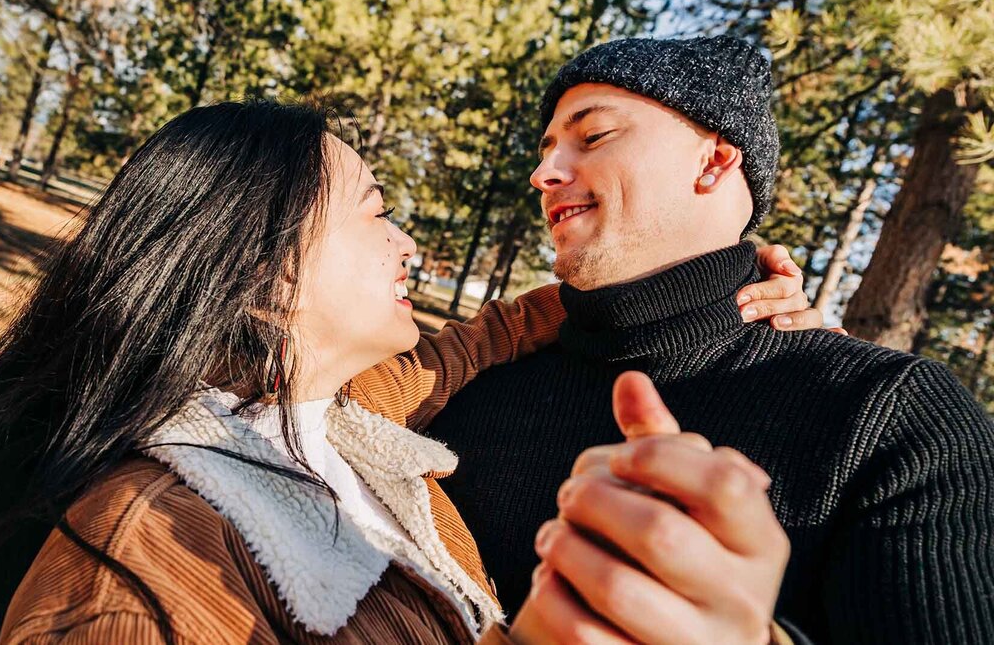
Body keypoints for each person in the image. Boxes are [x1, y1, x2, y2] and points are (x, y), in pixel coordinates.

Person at [0, 100, 817, 645]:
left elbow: (480, 339)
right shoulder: (138, 571)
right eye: (376, 211)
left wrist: (707, 283)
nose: (410, 242)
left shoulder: (323, 423)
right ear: (259, 278)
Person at [423, 35, 994, 644]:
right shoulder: (468, 381)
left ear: (715, 163)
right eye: (547, 149)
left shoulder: (894, 417)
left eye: (592, 137)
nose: (543, 174)